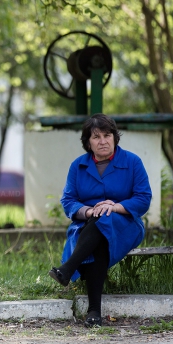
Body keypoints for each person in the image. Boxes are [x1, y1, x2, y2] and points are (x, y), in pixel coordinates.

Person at [48, 113, 151, 327]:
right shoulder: (78, 166)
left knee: (104, 220)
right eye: (96, 137)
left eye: (107, 135)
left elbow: (143, 199)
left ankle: (67, 269)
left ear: (115, 137)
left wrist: (113, 207)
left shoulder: (133, 162)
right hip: (86, 225)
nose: (103, 141)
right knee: (100, 232)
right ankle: (94, 313)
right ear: (88, 142)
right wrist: (87, 211)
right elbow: (68, 200)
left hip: (126, 223)